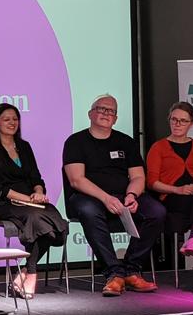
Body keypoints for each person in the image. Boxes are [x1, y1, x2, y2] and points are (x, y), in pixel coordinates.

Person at [63, 94, 165, 296]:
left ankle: (131, 270)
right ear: (91, 113)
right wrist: (106, 198)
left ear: (116, 118)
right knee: (89, 210)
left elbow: (138, 176)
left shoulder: (125, 142)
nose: (106, 113)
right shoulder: (76, 141)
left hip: (123, 196)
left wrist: (132, 195)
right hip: (88, 197)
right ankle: (113, 273)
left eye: (111, 111)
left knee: (157, 211)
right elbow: (76, 180)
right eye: (101, 109)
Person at [0, 103, 69, 299]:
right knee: (38, 220)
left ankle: (24, 270)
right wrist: (27, 199)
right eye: (6, 119)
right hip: (4, 203)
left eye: (15, 118)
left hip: (32, 202)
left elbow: (36, 178)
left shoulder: (24, 146)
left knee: (59, 227)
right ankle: (32, 274)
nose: (12, 123)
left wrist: (38, 192)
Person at [146, 101, 193, 289]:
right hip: (172, 198)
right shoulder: (159, 147)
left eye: (183, 121)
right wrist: (178, 189)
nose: (177, 124)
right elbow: (152, 182)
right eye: (174, 119)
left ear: (191, 124)